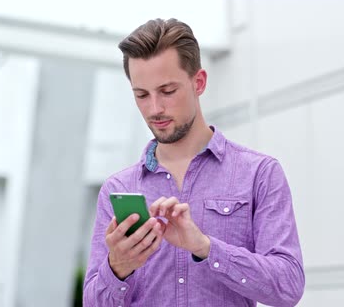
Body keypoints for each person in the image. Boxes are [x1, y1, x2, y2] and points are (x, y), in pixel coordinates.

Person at [83, 18, 305, 307]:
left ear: (198, 82)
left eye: (167, 91)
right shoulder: (118, 188)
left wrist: (205, 247)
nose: (155, 108)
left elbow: (288, 287)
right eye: (142, 95)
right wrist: (118, 267)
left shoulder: (259, 174)